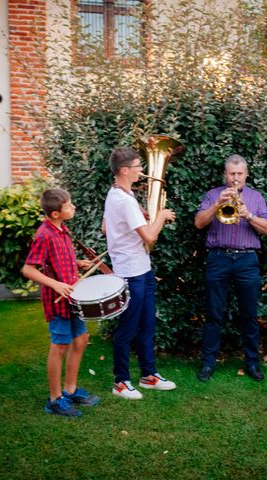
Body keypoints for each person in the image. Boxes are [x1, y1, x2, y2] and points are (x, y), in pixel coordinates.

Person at [103, 146, 177, 400]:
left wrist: (136, 220)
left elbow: (105, 227)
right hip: (131, 274)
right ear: (125, 170)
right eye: (138, 167)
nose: (141, 171)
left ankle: (148, 375)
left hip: (140, 270)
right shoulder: (123, 200)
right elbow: (149, 236)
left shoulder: (117, 195)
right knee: (127, 329)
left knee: (147, 325)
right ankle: (120, 381)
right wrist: (161, 216)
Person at [22, 188, 100, 417]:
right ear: (56, 213)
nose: (73, 207)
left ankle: (70, 389)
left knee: (81, 340)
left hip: (74, 298)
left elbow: (57, 258)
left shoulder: (62, 230)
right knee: (60, 346)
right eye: (69, 205)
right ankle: (55, 399)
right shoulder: (44, 234)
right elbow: (28, 268)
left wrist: (77, 263)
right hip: (57, 301)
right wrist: (55, 284)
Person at [195, 154, 267, 382]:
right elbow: (199, 223)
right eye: (232, 173)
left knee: (249, 315)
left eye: (239, 174)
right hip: (218, 258)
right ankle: (208, 363)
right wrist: (218, 205)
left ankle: (252, 363)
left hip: (247, 261)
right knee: (213, 314)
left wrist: (248, 214)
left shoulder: (256, 197)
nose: (235, 178)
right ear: (225, 174)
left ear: (246, 175)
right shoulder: (212, 195)